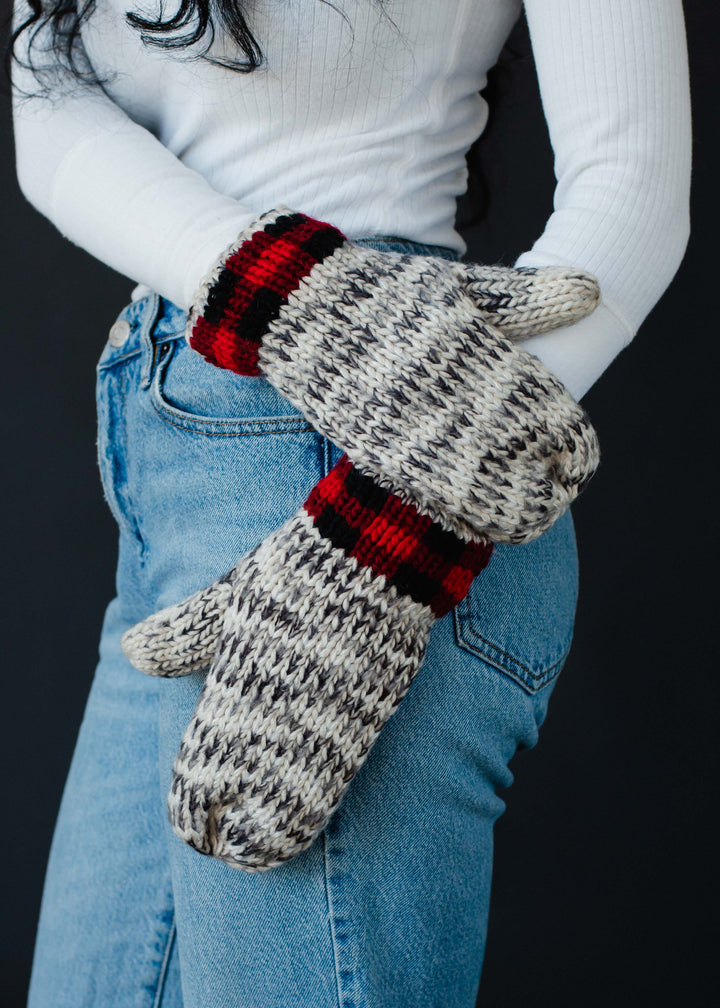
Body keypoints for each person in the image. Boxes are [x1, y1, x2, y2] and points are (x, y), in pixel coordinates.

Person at [9, 1, 690, 1005]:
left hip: (362, 469)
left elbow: (634, 189)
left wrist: (402, 510)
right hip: (182, 449)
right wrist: (278, 289)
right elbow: (46, 102)